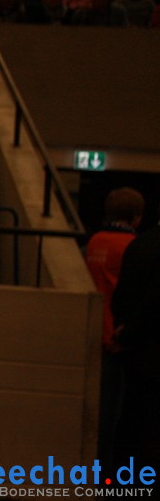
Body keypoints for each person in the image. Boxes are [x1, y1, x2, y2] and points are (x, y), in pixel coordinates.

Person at [85, 187, 144, 465]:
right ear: (136, 217)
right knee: (114, 417)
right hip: (118, 339)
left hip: (94, 332)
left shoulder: (95, 242)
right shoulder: (131, 247)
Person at [111, 214, 160, 467]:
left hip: (133, 350)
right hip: (153, 346)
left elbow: (120, 295)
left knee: (130, 417)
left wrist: (123, 331)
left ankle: (121, 481)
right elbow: (154, 302)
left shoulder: (138, 244)